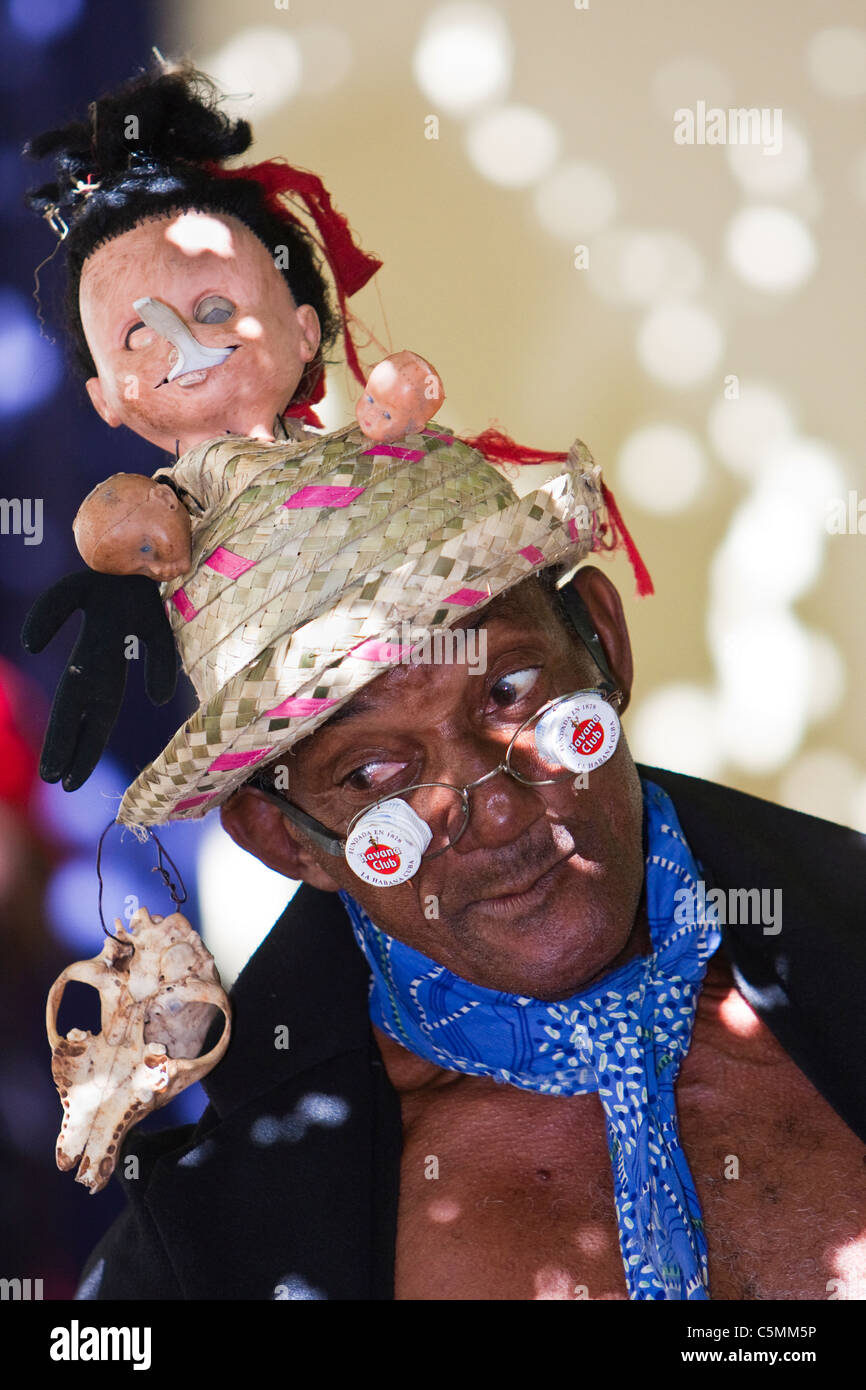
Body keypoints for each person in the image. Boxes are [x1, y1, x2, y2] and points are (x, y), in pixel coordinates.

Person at [23, 59, 866, 1303]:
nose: (492, 802)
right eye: (371, 770)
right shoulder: (215, 1240)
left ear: (602, 642)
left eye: (513, 698)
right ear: (278, 834)